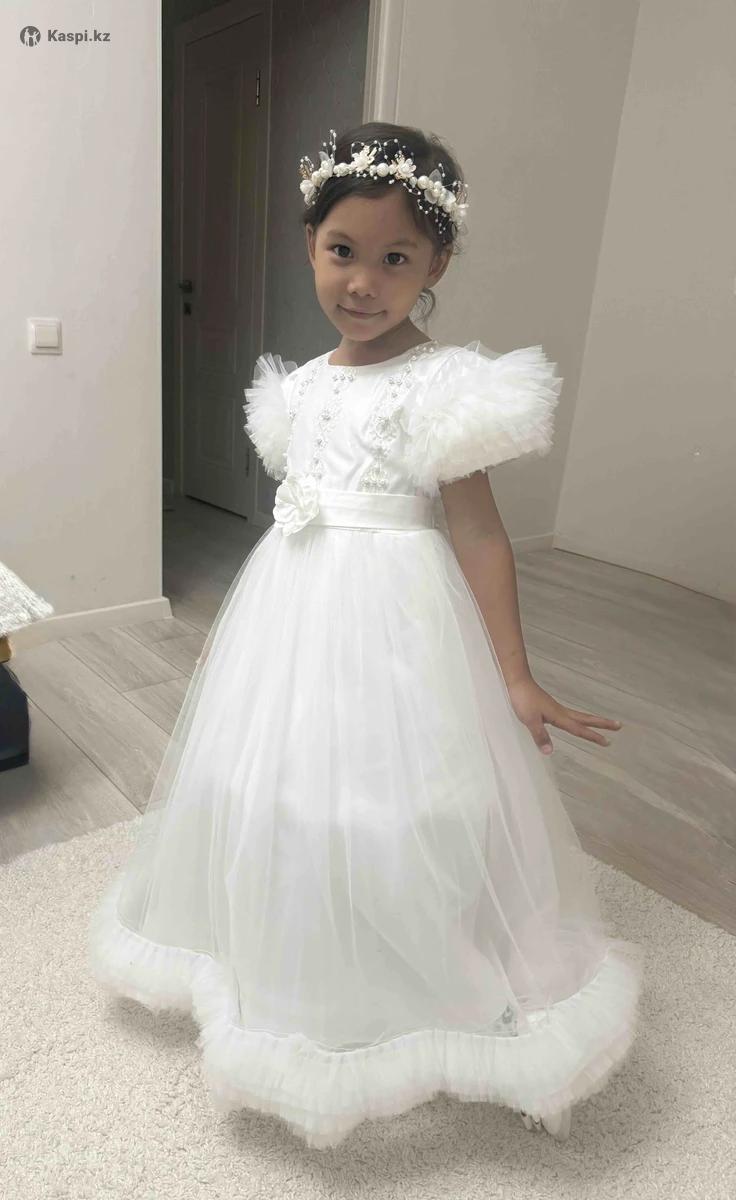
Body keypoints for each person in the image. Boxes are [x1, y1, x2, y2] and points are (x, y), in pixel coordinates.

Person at [87, 122, 644, 1150]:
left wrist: (515, 676)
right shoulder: (297, 389)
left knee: (409, 796)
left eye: (396, 259)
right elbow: (299, 508)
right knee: (279, 786)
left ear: (437, 265)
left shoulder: (446, 385)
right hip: (293, 612)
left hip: (399, 622)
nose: (364, 281)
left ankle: (425, 975)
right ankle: (285, 957)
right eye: (344, 250)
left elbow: (478, 535)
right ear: (310, 244)